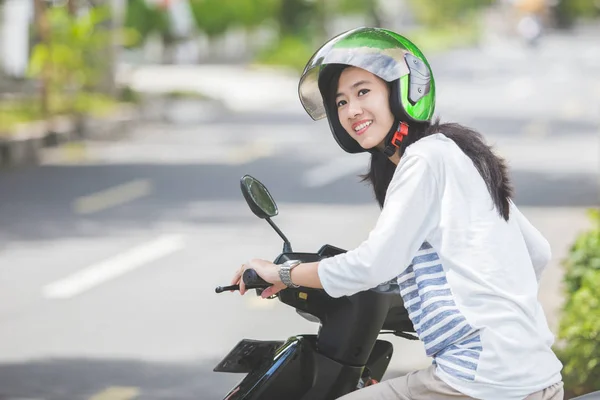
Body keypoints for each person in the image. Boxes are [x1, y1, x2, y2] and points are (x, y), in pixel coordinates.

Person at [230, 27, 564, 400]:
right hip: (538, 374)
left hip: (480, 381)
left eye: (363, 92)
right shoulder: (455, 153)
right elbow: (537, 251)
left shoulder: (422, 159)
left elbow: (373, 265)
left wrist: (282, 273)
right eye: (340, 102)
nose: (352, 110)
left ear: (404, 90)